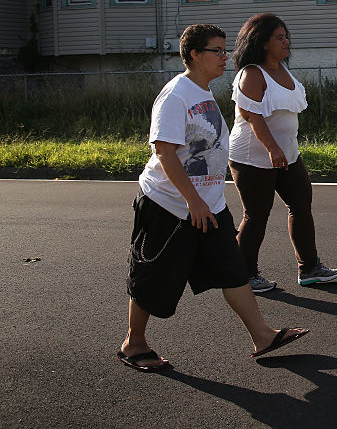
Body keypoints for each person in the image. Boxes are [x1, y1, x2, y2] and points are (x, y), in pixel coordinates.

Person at [119, 24, 308, 372]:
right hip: (170, 204)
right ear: (194, 54)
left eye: (224, 51)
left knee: (233, 270)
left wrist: (206, 200)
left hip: (209, 205)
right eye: (216, 51)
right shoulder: (176, 95)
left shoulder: (202, 92)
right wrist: (193, 201)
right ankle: (134, 343)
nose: (225, 58)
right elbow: (165, 153)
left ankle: (262, 336)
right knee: (154, 277)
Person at [228, 13, 337, 292]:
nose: (286, 41)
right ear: (262, 42)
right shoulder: (251, 73)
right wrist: (272, 148)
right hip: (253, 156)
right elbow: (252, 116)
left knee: (301, 206)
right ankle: (244, 276)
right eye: (279, 37)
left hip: (287, 153)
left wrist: (283, 149)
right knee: (256, 214)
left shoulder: (281, 69)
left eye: (286, 36)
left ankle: (309, 268)